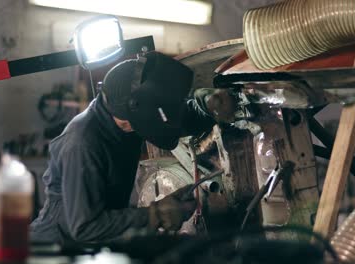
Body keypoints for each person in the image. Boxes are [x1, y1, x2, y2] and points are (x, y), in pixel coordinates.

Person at [29, 52, 235, 244]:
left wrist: (209, 107)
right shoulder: (82, 144)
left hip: (93, 240)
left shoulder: (130, 114)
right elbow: (85, 226)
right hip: (58, 246)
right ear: (135, 113)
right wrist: (155, 214)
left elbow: (172, 119)